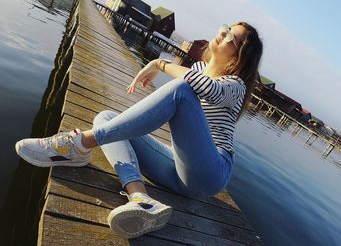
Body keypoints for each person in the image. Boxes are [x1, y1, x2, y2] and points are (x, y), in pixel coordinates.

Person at [15, 22, 263, 239]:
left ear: (239, 58)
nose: (224, 34)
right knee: (106, 117)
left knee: (182, 90)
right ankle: (141, 200)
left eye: (234, 38)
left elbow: (205, 88)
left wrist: (158, 63)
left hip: (212, 172)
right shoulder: (197, 68)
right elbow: (193, 80)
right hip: (181, 170)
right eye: (227, 29)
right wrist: (161, 67)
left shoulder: (235, 86)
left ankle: (80, 143)